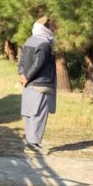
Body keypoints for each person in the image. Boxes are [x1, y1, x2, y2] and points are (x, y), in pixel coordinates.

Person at [18, 16, 57, 151]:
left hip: (28, 84)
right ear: (45, 28)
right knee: (39, 114)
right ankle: (33, 144)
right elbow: (38, 64)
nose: (52, 29)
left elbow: (21, 61)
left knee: (29, 113)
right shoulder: (45, 44)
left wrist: (22, 75)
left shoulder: (29, 40)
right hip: (41, 83)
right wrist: (27, 77)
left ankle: (30, 142)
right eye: (50, 26)